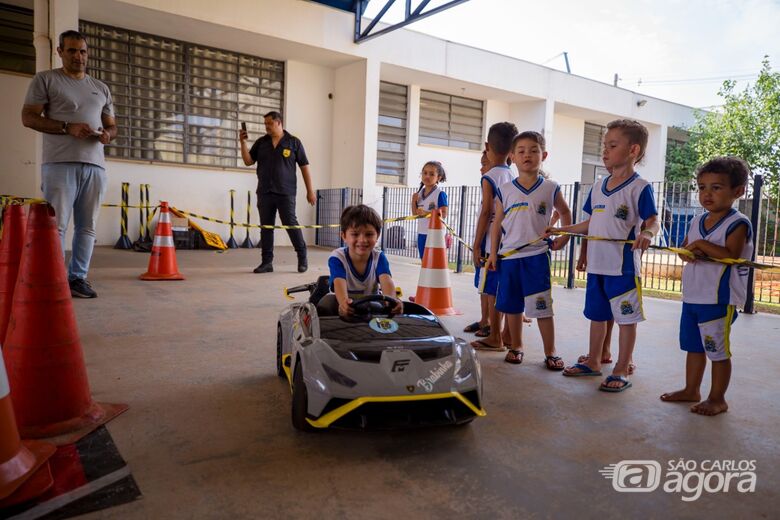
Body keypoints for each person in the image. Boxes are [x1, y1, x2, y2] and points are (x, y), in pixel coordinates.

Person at [550, 119, 659, 392]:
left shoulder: (640, 187)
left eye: (612, 145)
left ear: (633, 150)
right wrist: (561, 229)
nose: (605, 151)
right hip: (597, 266)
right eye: (604, 146)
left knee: (626, 319)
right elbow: (590, 224)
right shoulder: (598, 186)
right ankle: (594, 362)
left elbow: (653, 220)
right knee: (597, 316)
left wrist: (647, 234)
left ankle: (622, 368)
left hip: (621, 267)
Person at [21, 30, 117, 299]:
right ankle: (52, 278)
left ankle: (78, 278)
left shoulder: (101, 88)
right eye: (72, 51)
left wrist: (108, 135)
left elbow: (112, 126)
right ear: (60, 51)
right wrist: (66, 127)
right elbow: (28, 117)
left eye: (83, 51)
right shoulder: (47, 80)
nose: (78, 56)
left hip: (95, 166)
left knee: (87, 226)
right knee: (57, 225)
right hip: (59, 163)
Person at [660, 157, 753, 416]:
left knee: (717, 351)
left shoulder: (738, 223)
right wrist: (687, 253)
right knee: (693, 346)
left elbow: (730, 253)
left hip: (718, 299)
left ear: (738, 191)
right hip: (693, 297)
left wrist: (700, 246)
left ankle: (717, 398)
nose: (707, 194)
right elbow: (685, 249)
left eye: (716, 187)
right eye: (702, 187)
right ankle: (691, 389)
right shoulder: (696, 221)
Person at [486, 131, 571, 366]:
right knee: (512, 306)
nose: (527, 155)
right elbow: (496, 225)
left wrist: (563, 238)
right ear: (512, 156)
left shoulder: (550, 187)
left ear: (543, 155)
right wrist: (493, 254)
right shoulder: (505, 190)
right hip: (509, 258)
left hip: (537, 257)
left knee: (542, 307)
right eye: (521, 151)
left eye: (533, 151)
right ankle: (516, 346)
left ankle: (551, 352)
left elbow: (564, 212)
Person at [239, 111, 315, 274]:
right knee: (266, 227)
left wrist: (310, 191)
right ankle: (267, 263)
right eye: (265, 124)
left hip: (286, 192)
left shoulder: (294, 142)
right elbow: (248, 161)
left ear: (279, 123)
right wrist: (243, 143)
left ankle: (302, 257)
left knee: (290, 224)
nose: (266, 127)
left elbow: (305, 168)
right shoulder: (261, 143)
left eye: (269, 123)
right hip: (265, 192)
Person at [470, 122, 518, 352]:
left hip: (492, 242)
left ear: (487, 145)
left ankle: (495, 338)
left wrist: (477, 244)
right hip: (510, 242)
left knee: (490, 290)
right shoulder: (513, 175)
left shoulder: (489, 177)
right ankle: (507, 335)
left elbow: (487, 211)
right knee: (504, 290)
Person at [318, 205, 403, 318]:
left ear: (377, 235)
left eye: (369, 234)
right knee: (327, 302)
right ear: (344, 236)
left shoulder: (379, 257)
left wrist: (392, 301)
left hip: (372, 308)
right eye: (355, 234)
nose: (362, 240)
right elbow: (339, 282)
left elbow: (386, 281)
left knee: (398, 305)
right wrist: (344, 304)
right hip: (345, 307)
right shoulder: (338, 258)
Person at [411, 161, 448, 259]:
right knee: (424, 260)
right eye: (425, 173)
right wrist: (413, 201)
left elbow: (443, 214)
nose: (427, 176)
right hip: (421, 233)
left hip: (435, 234)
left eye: (432, 174)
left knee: (433, 261)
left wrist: (426, 213)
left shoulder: (439, 194)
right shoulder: (419, 194)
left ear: (438, 178)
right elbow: (415, 214)